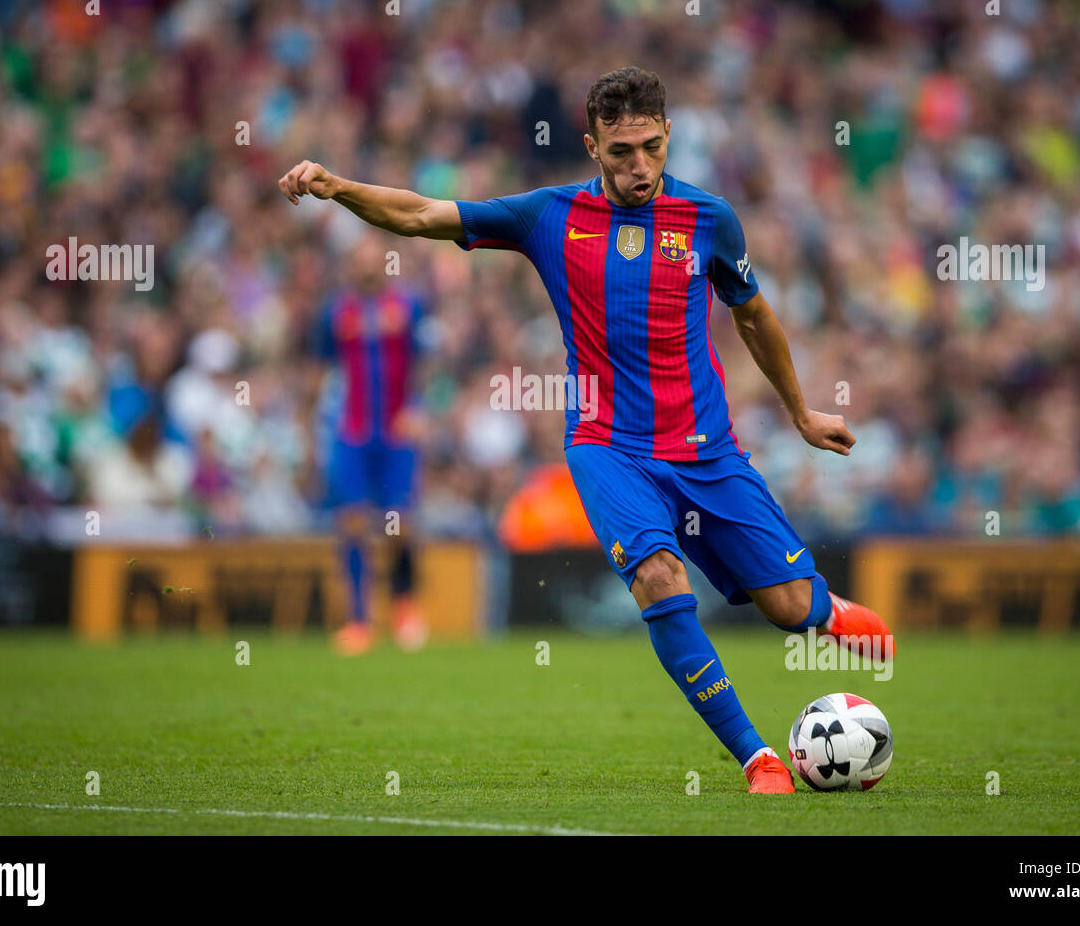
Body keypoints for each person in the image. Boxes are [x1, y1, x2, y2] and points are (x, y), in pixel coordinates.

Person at [279, 66, 894, 793]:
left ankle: (827, 610)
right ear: (591, 146)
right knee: (658, 578)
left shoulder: (709, 219)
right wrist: (337, 186)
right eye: (622, 150)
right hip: (608, 445)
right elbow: (420, 214)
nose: (639, 165)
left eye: (651, 147)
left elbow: (753, 315)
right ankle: (757, 757)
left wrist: (800, 412)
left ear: (669, 137)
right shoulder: (548, 216)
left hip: (705, 445)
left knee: (791, 607)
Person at [311, 232, 428, 655]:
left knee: (401, 524)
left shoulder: (408, 305)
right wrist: (311, 430)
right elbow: (318, 371)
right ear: (351, 265)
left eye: (373, 259)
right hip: (353, 431)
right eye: (358, 260)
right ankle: (358, 620)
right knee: (353, 523)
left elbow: (425, 361)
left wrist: (418, 408)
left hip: (397, 431)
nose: (366, 266)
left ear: (386, 263)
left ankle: (403, 603)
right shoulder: (335, 311)